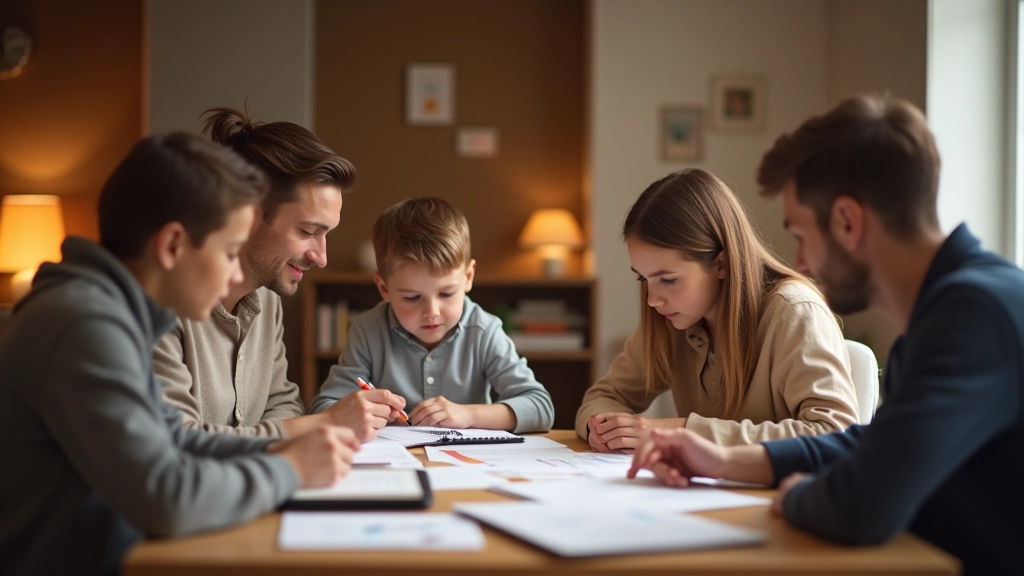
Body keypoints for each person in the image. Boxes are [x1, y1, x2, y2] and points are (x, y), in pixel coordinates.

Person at [627, 95, 1024, 576]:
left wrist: (800, 496)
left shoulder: (973, 316)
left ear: (847, 222)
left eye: (800, 233)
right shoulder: (956, 309)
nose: (799, 262)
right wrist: (723, 461)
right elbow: (870, 445)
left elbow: (861, 505)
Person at [0, 133, 358, 576]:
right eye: (229, 253)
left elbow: (176, 440)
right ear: (172, 246)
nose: (234, 275)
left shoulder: (112, 313)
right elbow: (166, 496)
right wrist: (292, 468)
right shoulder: (85, 325)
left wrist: (289, 446)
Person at [154, 107, 406, 442]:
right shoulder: (163, 303)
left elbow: (282, 403)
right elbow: (176, 442)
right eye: (307, 232)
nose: (321, 258)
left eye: (326, 234)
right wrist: (325, 423)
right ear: (249, 216)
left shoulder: (267, 300)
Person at [577, 169, 860, 450]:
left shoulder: (795, 312)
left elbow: (834, 435)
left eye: (668, 280)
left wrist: (681, 432)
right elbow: (604, 395)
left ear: (720, 264)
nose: (652, 300)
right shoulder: (670, 319)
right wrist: (601, 428)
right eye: (643, 279)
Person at [312, 197, 555, 433]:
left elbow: (540, 408)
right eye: (412, 297)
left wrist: (469, 415)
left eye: (447, 294)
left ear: (468, 277)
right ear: (384, 288)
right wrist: (362, 413)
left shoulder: (484, 331)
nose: (432, 312)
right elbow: (324, 409)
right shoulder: (368, 331)